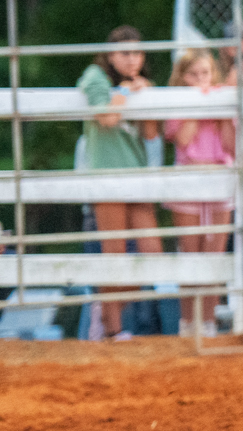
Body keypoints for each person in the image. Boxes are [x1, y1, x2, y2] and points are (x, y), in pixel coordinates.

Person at [78, 25, 163, 341]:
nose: (133, 60)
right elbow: (106, 117)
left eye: (137, 53)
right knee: (114, 252)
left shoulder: (136, 83)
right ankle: (112, 328)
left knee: (152, 254)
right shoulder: (95, 76)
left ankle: (105, 310)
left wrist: (146, 97)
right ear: (111, 54)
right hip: (108, 174)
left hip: (136, 174)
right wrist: (129, 93)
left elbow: (151, 134)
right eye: (125, 53)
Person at [162, 49, 237, 337]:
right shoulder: (178, 103)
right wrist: (199, 104)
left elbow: (230, 145)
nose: (200, 80)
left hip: (219, 178)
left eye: (205, 73)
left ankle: (208, 322)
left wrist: (219, 111)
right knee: (190, 253)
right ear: (182, 77)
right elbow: (182, 138)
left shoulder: (221, 102)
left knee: (214, 255)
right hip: (189, 180)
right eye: (193, 74)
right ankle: (187, 322)